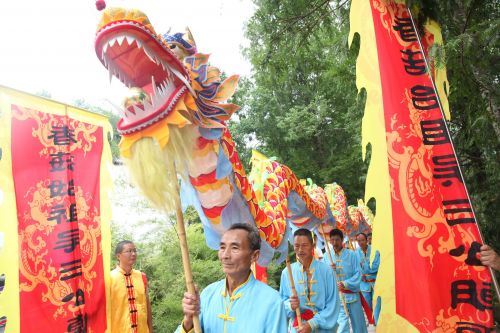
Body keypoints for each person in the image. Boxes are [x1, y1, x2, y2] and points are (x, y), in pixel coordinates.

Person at [177, 223, 287, 333]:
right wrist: (188, 321)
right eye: (222, 247)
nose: (225, 255)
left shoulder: (272, 302)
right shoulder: (207, 294)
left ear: (254, 255)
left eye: (235, 248)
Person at [280, 228, 340, 333]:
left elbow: (333, 305)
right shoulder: (286, 272)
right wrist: (290, 305)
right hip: (298, 327)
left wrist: (312, 324)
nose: (300, 250)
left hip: (323, 328)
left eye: (304, 245)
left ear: (312, 246)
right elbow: (281, 304)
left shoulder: (327, 271)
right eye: (297, 246)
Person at [324, 229, 367, 333]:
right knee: (341, 326)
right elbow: (323, 277)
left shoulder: (352, 254)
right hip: (337, 298)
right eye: (332, 240)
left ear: (342, 240)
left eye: (337, 240)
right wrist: (329, 270)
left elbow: (358, 273)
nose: (335, 243)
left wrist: (345, 283)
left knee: (359, 325)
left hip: (352, 296)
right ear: (329, 241)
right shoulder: (326, 256)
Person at [110, 240, 153, 333]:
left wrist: (150, 329)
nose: (133, 254)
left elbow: (147, 306)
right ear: (118, 256)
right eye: (129, 251)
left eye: (134, 251)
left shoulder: (142, 276)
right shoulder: (109, 278)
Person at [355, 232, 379, 322]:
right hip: (364, 285)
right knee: (368, 306)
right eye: (359, 241)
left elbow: (375, 267)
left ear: (366, 240)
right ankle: (373, 322)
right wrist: (362, 273)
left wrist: (364, 267)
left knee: (376, 305)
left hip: (375, 282)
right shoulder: (355, 253)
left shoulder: (374, 250)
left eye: (363, 240)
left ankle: (378, 324)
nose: (361, 242)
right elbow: (356, 269)